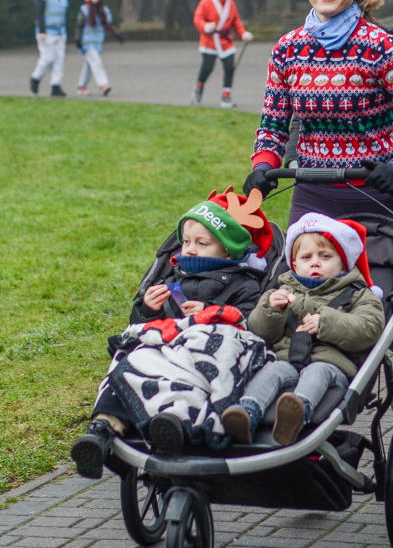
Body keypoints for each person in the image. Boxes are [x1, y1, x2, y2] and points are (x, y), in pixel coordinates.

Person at [243, 0, 393, 413]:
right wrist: (264, 167)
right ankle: (300, 397)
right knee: (291, 292)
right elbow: (273, 125)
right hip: (313, 194)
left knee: (378, 300)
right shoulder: (289, 49)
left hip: (373, 194)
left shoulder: (380, 47)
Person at [70, 190, 274, 473]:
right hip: (165, 344)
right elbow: (140, 327)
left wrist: (213, 312)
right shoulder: (171, 277)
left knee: (190, 374)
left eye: (202, 243)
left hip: (200, 351)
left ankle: (174, 423)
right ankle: (102, 430)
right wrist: (148, 310)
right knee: (131, 363)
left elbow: (248, 324)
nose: (190, 249)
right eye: (186, 241)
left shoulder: (244, 284)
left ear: (226, 249)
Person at [222, 213, 385, 446]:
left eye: (325, 256)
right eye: (306, 257)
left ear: (342, 263)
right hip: (288, 360)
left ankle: (296, 414)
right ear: (295, 264)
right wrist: (271, 311)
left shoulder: (358, 295)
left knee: (317, 370)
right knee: (273, 369)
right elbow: (260, 334)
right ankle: (246, 413)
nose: (315, 262)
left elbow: (368, 329)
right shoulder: (280, 291)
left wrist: (326, 323)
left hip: (333, 366)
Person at [192, 0, 253, 108]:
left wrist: (243, 34)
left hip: (226, 42)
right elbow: (198, 18)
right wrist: (206, 26)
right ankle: (199, 87)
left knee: (230, 68)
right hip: (210, 41)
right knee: (207, 68)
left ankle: (226, 95)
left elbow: (236, 23)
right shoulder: (207, 1)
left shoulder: (231, 4)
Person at [76, 0, 120, 96]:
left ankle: (81, 87)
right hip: (87, 43)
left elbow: (109, 24)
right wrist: (78, 39)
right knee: (96, 63)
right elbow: (79, 26)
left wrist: (117, 35)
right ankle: (104, 85)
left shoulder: (104, 11)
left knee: (89, 65)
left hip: (97, 43)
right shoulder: (85, 9)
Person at [30, 0, 68, 97]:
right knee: (48, 57)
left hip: (60, 31)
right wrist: (42, 31)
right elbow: (39, 13)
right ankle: (35, 78)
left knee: (59, 60)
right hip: (46, 32)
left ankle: (56, 86)